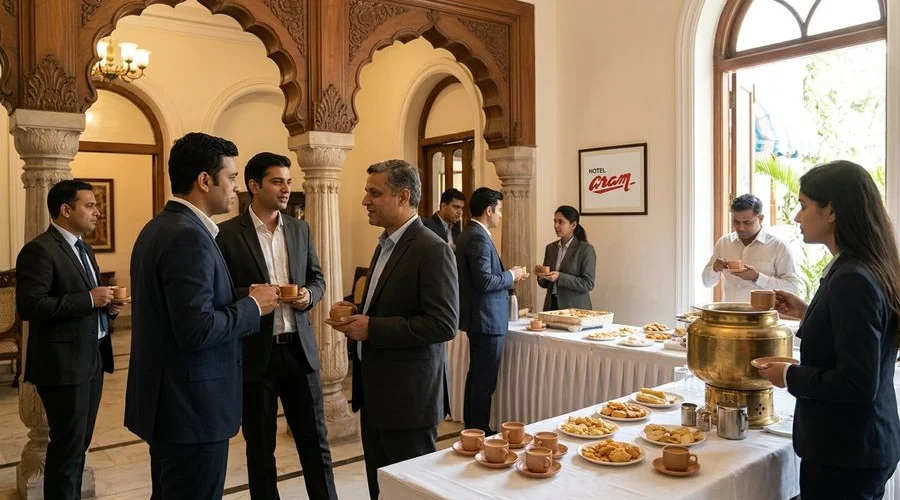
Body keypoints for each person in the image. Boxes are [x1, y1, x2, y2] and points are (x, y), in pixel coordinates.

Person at [125, 133, 279, 499]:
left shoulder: (160, 226)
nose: (235, 186)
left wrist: (243, 295)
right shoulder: (187, 236)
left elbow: (180, 307)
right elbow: (196, 329)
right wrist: (253, 307)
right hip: (191, 408)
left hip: (171, 403)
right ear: (204, 180)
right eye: (231, 176)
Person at [757, 161, 900, 500]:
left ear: (831, 210)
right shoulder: (865, 265)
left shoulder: (852, 278)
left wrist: (789, 376)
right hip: (858, 444)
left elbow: (856, 382)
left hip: (847, 448)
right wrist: (808, 312)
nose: (797, 217)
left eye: (804, 205)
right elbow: (863, 336)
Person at [332, 159, 458, 500]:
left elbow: (444, 323)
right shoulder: (385, 243)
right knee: (382, 491)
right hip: (376, 393)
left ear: (403, 197)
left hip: (409, 400)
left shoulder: (431, 249)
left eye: (375, 193)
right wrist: (357, 314)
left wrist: (372, 328)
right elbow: (395, 305)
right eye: (366, 192)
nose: (365, 201)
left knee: (409, 493)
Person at [216, 152, 336, 500]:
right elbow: (220, 291)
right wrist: (253, 294)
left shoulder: (299, 228)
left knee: (316, 445)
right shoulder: (226, 235)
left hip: (299, 351)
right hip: (256, 355)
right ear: (254, 186)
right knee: (260, 451)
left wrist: (308, 297)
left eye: (288, 181)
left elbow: (317, 278)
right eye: (277, 181)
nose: (286, 189)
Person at [16, 180, 121, 499]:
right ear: (65, 210)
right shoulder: (39, 250)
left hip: (92, 359)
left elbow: (92, 302)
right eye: (89, 205)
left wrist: (109, 307)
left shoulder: (83, 247)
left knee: (78, 448)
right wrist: (90, 299)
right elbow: (30, 306)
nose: (97, 212)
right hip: (63, 366)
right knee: (66, 451)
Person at [455, 187, 525, 433]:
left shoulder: (471, 233)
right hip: (486, 319)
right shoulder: (477, 236)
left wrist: (507, 275)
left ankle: (473, 430)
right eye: (500, 210)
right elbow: (484, 281)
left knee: (477, 378)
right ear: (489, 210)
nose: (500, 216)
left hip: (481, 317)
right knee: (483, 382)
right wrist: (511, 275)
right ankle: (479, 431)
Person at [701, 193, 799, 301]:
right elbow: (707, 282)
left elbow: (792, 288)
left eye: (747, 222)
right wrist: (714, 269)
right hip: (730, 314)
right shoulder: (724, 243)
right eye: (736, 222)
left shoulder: (778, 247)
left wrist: (757, 277)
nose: (741, 228)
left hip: (763, 316)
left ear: (760, 218)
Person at [536, 205, 596, 311]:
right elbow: (545, 284)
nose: (555, 225)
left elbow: (588, 284)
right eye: (555, 221)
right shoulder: (550, 248)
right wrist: (541, 276)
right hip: (551, 307)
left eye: (560, 222)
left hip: (575, 310)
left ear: (573, 225)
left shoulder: (586, 249)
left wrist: (559, 277)